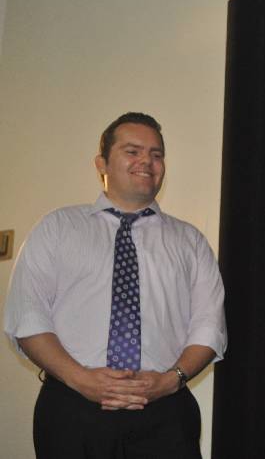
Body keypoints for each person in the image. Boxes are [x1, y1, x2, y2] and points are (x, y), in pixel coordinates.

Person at [4, 112, 227, 458]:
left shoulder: (191, 242)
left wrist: (170, 380)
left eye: (156, 154)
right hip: (72, 409)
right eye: (132, 151)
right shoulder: (57, 228)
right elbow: (28, 318)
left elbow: (209, 326)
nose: (146, 161)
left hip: (166, 413)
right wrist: (81, 379)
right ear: (102, 164)